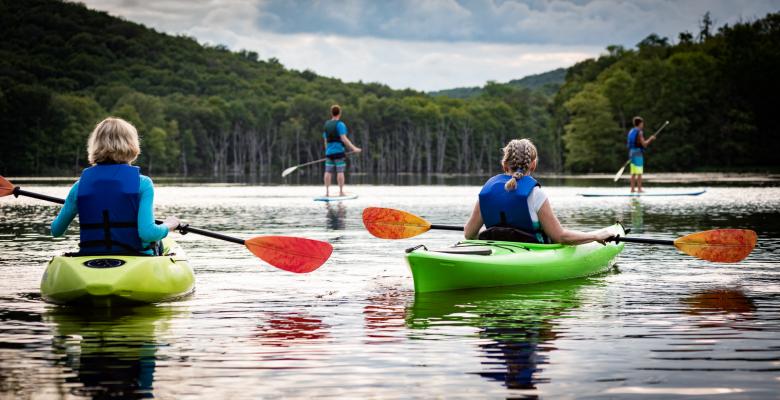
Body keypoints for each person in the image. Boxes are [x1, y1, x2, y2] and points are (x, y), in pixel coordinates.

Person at [51, 117, 180, 255]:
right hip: (136, 257)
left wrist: (73, 204)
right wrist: (169, 224)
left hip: (90, 257)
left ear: (95, 145)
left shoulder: (79, 186)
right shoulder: (143, 184)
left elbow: (56, 230)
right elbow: (148, 233)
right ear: (132, 145)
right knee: (160, 241)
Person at [464, 138, 613, 244]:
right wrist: (594, 236)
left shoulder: (488, 190)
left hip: (496, 251)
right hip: (531, 253)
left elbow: (469, 234)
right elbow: (560, 236)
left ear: (504, 165)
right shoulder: (535, 194)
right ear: (533, 165)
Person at [322, 105, 361, 197]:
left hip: (329, 152)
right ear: (340, 113)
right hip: (339, 152)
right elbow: (344, 138)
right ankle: (341, 192)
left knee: (328, 171)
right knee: (340, 171)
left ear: (331, 113)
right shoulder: (340, 124)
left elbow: (325, 140)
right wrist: (354, 148)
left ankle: (327, 192)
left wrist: (327, 151)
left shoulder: (326, 125)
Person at [626, 116, 656, 193]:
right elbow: (644, 144)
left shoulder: (631, 131)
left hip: (631, 152)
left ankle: (632, 189)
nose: (643, 125)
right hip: (637, 152)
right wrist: (651, 139)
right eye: (642, 123)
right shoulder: (639, 132)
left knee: (633, 172)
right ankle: (639, 189)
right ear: (639, 124)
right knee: (639, 172)